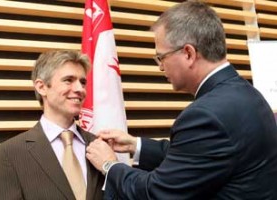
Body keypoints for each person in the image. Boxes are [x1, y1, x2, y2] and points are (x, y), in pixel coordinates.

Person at [86, 1, 277, 199]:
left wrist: (110, 165)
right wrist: (136, 145)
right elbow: (198, 155)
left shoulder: (205, 116)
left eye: (162, 57)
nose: (160, 67)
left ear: (188, 53)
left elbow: (157, 193)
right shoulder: (248, 94)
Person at [0, 50, 105, 200]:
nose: (80, 89)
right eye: (69, 80)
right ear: (42, 87)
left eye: (82, 82)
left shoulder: (99, 146)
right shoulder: (8, 154)